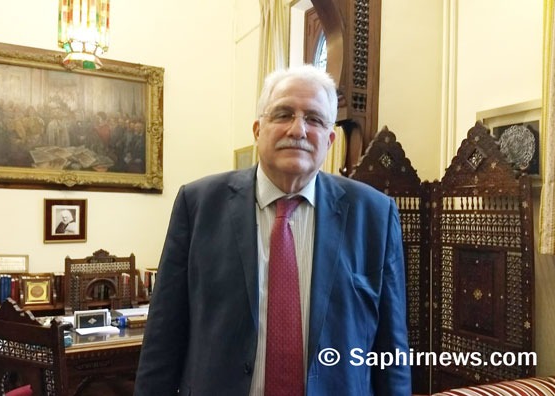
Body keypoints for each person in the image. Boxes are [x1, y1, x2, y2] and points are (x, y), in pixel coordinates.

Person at [134, 65, 410, 395]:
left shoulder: (374, 214)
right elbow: (164, 337)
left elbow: (391, 350)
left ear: (329, 138)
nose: (298, 129)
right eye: (282, 114)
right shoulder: (198, 205)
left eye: (314, 119)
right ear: (257, 129)